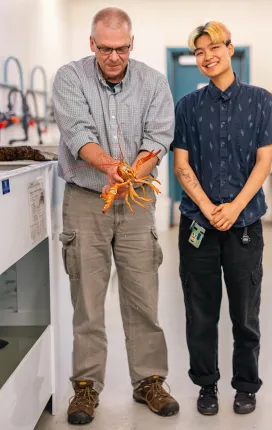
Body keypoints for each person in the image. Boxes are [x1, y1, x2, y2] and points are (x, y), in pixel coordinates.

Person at [52, 7, 179, 425]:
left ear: (131, 44)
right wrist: (109, 168)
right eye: (105, 48)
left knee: (143, 296)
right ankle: (86, 388)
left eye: (121, 48)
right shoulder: (71, 78)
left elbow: (158, 137)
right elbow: (78, 134)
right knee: (87, 300)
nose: (113, 56)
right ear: (92, 44)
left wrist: (127, 178)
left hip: (137, 199)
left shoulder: (154, 83)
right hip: (86, 200)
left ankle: (149, 382)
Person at [172, 21, 272, 416]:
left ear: (230, 48)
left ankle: (246, 385)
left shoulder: (260, 101)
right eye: (199, 52)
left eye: (214, 48)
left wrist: (235, 207)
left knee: (245, 312)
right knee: (200, 312)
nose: (207, 57)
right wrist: (207, 208)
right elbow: (181, 164)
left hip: (244, 226)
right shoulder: (187, 106)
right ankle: (206, 386)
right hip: (198, 227)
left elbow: (264, 160)